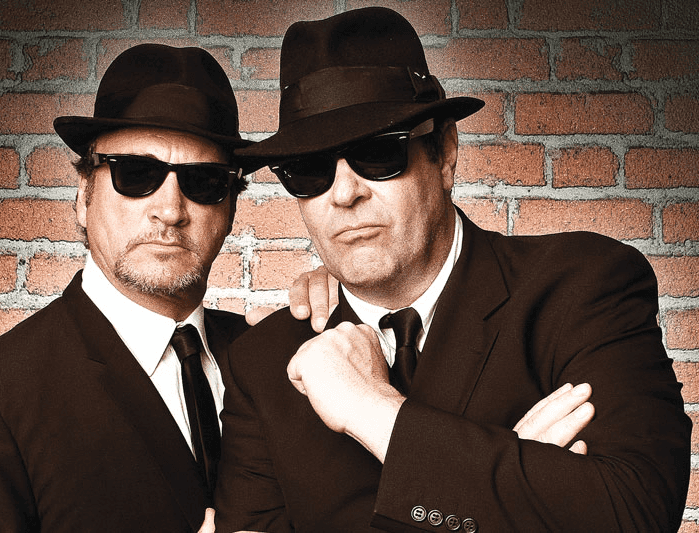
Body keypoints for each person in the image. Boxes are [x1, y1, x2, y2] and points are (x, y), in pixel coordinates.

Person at [214, 8, 691, 532]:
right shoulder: (263, 364)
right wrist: (508, 486)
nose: (344, 193)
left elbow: (634, 512)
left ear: (444, 153)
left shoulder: (582, 287)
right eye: (309, 170)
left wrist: (372, 409)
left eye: (378, 154)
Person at [0, 43, 332, 532]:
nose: (170, 210)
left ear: (230, 210)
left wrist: (357, 309)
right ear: (83, 197)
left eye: (204, 182)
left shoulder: (281, 359)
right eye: (137, 174)